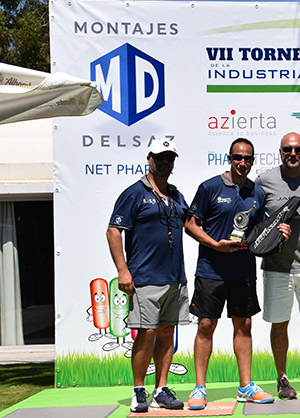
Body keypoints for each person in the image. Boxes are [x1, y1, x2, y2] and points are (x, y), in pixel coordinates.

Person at [184, 138, 290, 408]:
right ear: (229, 158)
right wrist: (214, 245)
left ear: (253, 161)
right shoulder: (209, 187)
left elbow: (261, 231)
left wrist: (281, 233)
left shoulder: (257, 193)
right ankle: (199, 388)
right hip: (211, 269)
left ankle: (245, 386)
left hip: (243, 270)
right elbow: (190, 224)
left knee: (244, 326)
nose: (242, 163)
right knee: (206, 325)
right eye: (237, 157)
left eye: (247, 159)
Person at [106, 138, 190, 413]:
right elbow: (113, 231)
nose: (165, 162)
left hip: (175, 278)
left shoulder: (177, 195)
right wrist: (122, 270)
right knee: (147, 332)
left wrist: (221, 242)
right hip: (144, 278)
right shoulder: (134, 193)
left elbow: (191, 224)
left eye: (170, 157)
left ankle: (161, 389)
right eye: (160, 156)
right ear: (149, 158)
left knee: (167, 332)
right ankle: (138, 390)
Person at [256, 132, 300, 399]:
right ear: (280, 151)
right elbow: (254, 222)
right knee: (279, 324)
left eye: (298, 149)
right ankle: (282, 378)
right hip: (276, 267)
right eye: (288, 149)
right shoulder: (264, 181)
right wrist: (273, 230)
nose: (293, 154)